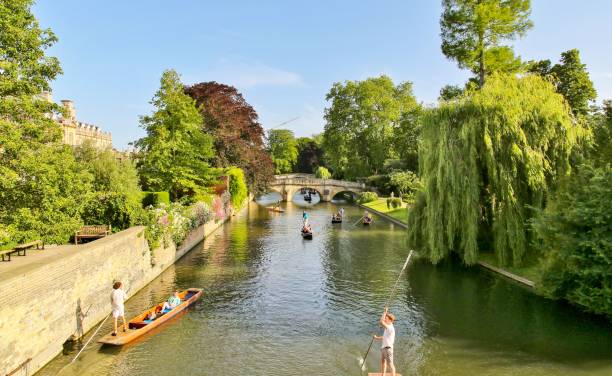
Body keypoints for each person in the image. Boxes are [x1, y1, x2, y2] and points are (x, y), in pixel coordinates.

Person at [374, 308, 396, 376]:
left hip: (388, 349)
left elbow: (381, 321)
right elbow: (385, 337)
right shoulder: (388, 327)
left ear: (391, 320)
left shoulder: (390, 328)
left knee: (390, 364)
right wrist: (377, 338)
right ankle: (383, 375)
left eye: (386, 319)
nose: (385, 320)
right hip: (384, 348)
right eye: (385, 318)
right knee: (383, 362)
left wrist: (385, 312)